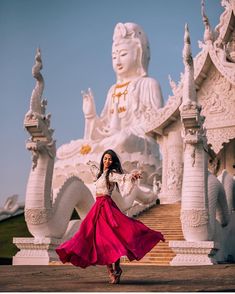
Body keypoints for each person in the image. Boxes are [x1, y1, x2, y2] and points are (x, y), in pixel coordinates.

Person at [56, 149, 165, 284]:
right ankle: (110, 271)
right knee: (97, 238)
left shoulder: (112, 174)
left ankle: (117, 268)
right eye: (105, 159)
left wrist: (132, 175)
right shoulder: (100, 174)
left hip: (107, 207)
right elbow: (95, 170)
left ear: (113, 162)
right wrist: (90, 162)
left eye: (110, 159)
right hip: (97, 208)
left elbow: (122, 177)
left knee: (114, 238)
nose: (107, 161)